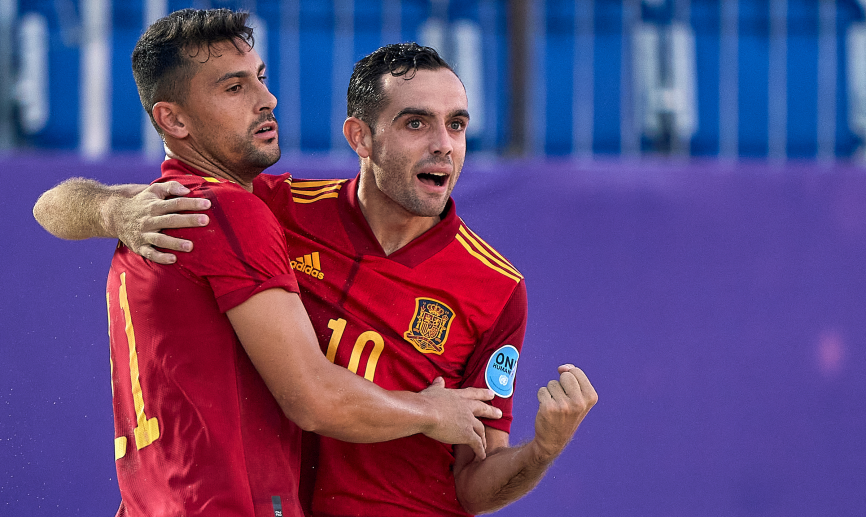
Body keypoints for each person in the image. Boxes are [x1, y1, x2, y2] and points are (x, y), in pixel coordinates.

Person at [34, 41, 598, 516]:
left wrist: (540, 452)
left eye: (456, 124)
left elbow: (473, 484)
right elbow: (53, 206)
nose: (443, 144)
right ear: (361, 137)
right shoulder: (270, 210)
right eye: (415, 122)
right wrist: (114, 211)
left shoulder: (496, 288)